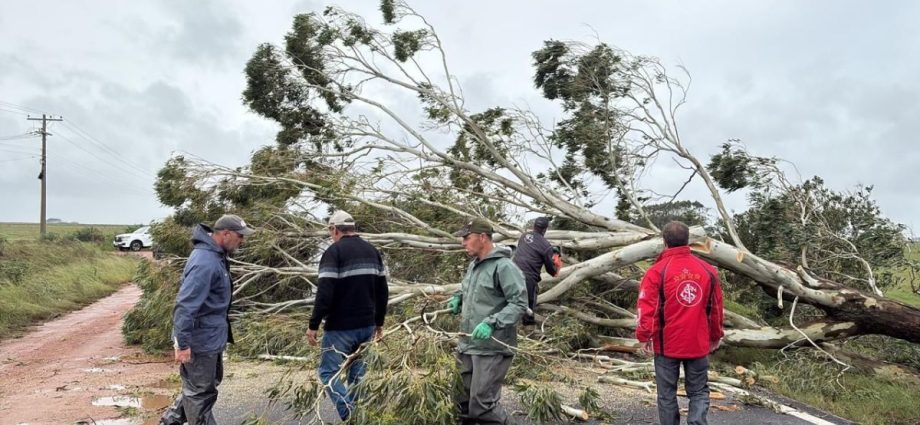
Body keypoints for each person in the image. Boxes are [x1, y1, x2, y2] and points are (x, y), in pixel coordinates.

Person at [161, 214, 254, 425]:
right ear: (226, 234)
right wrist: (182, 343)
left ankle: (169, 422)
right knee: (200, 394)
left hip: (210, 338)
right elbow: (186, 305)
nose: (243, 241)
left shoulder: (216, 256)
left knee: (203, 386)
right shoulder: (205, 262)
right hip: (200, 340)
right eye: (240, 236)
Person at [635, 221, 724, 425]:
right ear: (688, 241)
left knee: (666, 394)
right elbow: (716, 309)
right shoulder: (708, 270)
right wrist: (715, 335)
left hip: (667, 345)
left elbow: (646, 307)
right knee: (699, 391)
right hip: (698, 343)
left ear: (664, 242)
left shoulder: (656, 272)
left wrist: (644, 335)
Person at [306, 210, 389, 421]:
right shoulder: (372, 251)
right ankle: (360, 417)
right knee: (357, 375)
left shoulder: (334, 253)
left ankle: (349, 413)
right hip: (367, 325)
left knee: (328, 373)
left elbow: (325, 293)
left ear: (334, 229)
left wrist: (313, 324)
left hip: (340, 327)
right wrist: (379, 322)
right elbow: (382, 291)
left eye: (330, 230)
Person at [447, 218, 527, 425]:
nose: (463, 243)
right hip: (467, 344)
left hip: (492, 346)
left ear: (482, 238)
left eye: (467, 238)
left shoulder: (504, 267)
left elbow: (519, 304)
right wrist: (458, 297)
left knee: (482, 406)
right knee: (460, 402)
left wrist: (492, 323)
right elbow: (468, 289)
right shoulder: (474, 265)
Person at [511, 216, 560, 325]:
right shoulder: (546, 246)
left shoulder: (523, 236)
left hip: (511, 273)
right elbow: (552, 271)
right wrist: (555, 256)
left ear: (534, 226)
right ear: (545, 229)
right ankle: (527, 331)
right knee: (528, 312)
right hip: (528, 279)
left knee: (511, 302)